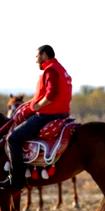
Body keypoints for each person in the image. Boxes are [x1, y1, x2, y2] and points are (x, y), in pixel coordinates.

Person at [0, 45, 72, 190]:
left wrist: (37, 106)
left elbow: (51, 95)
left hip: (47, 115)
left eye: (37, 56)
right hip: (62, 113)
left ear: (44, 55)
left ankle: (17, 179)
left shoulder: (50, 70)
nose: (36, 60)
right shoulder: (61, 69)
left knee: (12, 138)